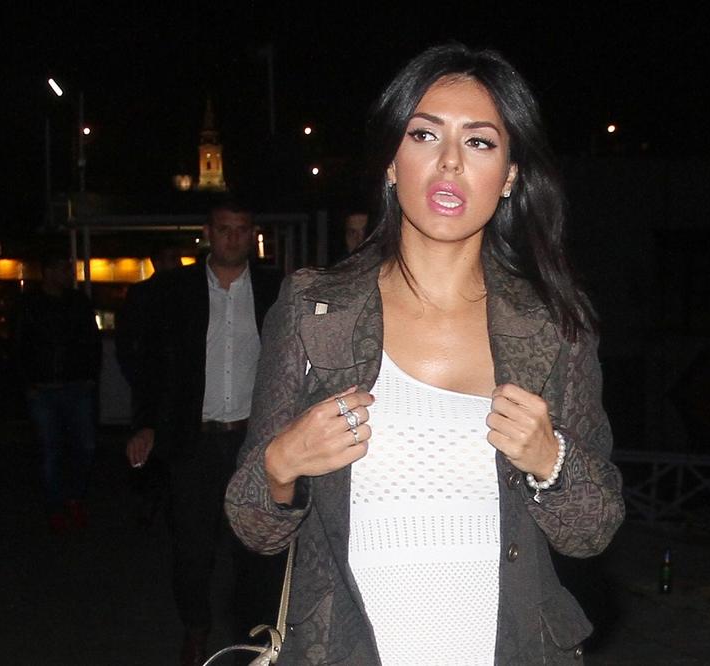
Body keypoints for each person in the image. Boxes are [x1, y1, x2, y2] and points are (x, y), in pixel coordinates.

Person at [225, 43, 625, 665]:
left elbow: (593, 530)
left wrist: (552, 460)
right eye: (424, 135)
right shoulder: (315, 311)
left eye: (480, 142)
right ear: (392, 161)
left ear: (510, 175)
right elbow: (253, 525)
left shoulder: (552, 325)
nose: (449, 162)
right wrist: (282, 464)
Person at [124, 199, 285, 666]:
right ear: (208, 233)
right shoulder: (175, 290)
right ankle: (195, 626)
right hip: (194, 441)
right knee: (192, 548)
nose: (233, 237)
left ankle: (253, 637)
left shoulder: (275, 289)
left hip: (253, 442)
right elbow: (154, 364)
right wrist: (145, 424)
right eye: (224, 229)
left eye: (241, 229)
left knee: (255, 547)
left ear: (252, 234)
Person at [14, 249, 101, 533]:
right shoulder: (30, 304)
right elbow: (19, 344)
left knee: (85, 446)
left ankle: (74, 498)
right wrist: (28, 382)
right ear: (48, 272)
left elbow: (91, 340)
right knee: (51, 450)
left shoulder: (78, 302)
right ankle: (56, 505)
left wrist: (90, 375)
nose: (69, 274)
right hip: (44, 388)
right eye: (63, 268)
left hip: (76, 384)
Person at [115, 241, 183, 526]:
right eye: (170, 258)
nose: (175, 264)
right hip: (150, 383)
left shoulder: (186, 292)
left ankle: (170, 503)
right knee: (146, 442)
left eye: (177, 258)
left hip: (179, 383)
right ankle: (148, 502)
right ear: (156, 262)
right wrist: (138, 377)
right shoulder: (142, 294)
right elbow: (127, 341)